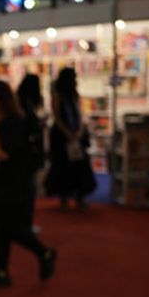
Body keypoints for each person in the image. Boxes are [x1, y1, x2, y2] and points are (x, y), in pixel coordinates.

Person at [0, 80, 57, 288]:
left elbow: (3, 154)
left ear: (0, 99)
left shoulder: (13, 122)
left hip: (11, 183)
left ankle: (44, 252)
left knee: (10, 227)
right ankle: (1, 271)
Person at [44, 67, 96, 210]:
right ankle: (65, 197)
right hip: (62, 136)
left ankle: (79, 196)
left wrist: (78, 131)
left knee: (79, 166)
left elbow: (79, 113)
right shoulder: (58, 94)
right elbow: (57, 116)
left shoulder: (73, 94)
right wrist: (68, 132)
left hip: (73, 133)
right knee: (63, 166)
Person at [17, 74, 47, 231]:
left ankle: (24, 222)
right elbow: (29, 128)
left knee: (27, 188)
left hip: (26, 154)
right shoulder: (26, 106)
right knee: (28, 189)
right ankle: (25, 223)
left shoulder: (20, 103)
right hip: (28, 154)